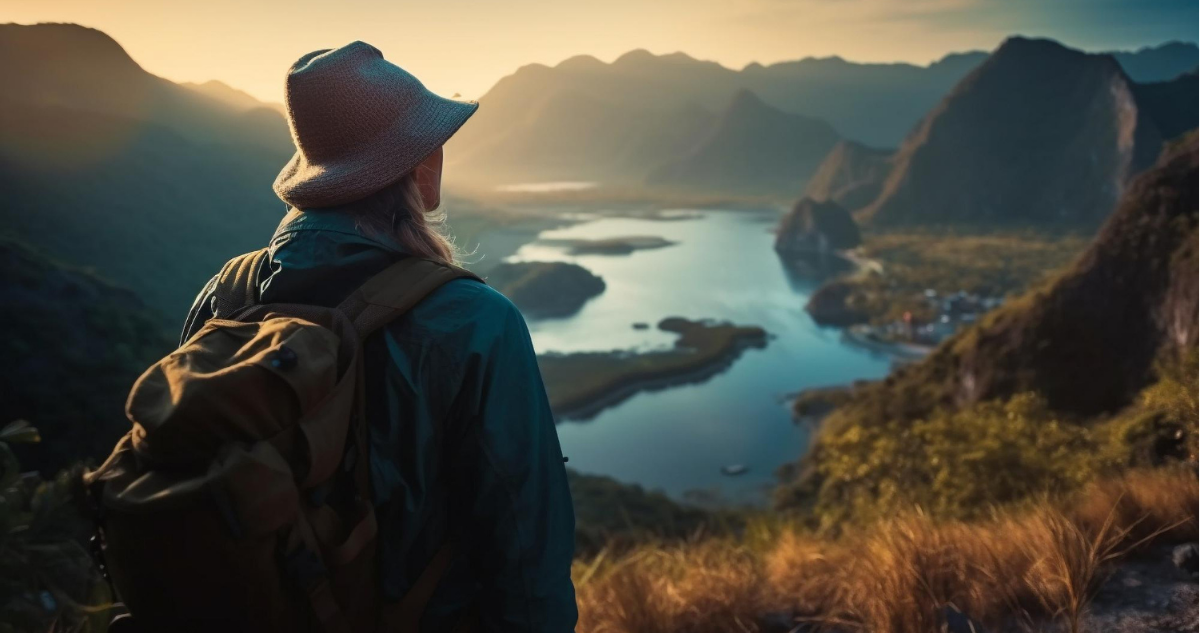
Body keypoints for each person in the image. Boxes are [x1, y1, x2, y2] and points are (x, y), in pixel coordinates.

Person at [180, 41, 578, 632]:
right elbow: (525, 547)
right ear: (417, 162)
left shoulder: (226, 297)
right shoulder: (474, 322)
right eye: (431, 136)